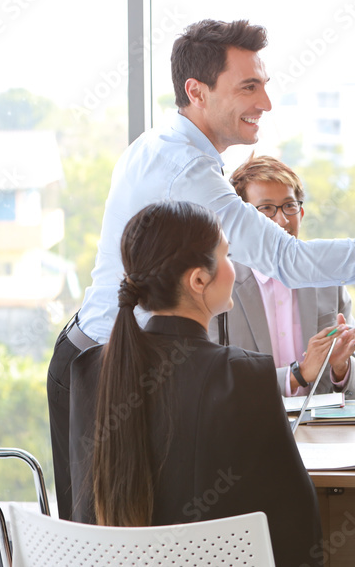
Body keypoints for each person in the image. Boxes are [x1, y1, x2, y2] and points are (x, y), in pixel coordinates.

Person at [47, 19, 355, 518]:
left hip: (122, 363)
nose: (266, 103)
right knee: (101, 539)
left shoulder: (168, 146)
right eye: (248, 87)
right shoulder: (186, 169)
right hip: (101, 370)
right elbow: (288, 260)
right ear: (197, 91)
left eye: (265, 85)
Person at [68, 200, 321, 567]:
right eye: (227, 254)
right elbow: (297, 526)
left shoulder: (89, 369)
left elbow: (87, 514)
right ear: (199, 279)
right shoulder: (243, 376)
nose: (234, 268)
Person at [220, 154, 355, 398]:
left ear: (301, 214)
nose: (282, 220)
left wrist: (340, 366)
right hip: (248, 432)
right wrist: (298, 374)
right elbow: (214, 382)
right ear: (243, 221)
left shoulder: (326, 280)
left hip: (319, 434)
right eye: (267, 208)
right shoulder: (218, 285)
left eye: (290, 206)